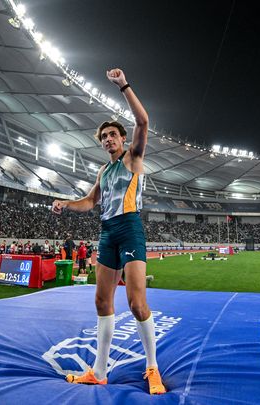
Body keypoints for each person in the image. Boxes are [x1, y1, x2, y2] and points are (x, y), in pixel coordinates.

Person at [52, 68, 165, 394]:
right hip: (107, 232)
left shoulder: (133, 158)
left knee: (136, 303)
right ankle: (99, 371)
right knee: (102, 301)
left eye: (112, 135)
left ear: (122, 139)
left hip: (130, 228)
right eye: (103, 138)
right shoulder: (103, 169)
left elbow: (143, 121)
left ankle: (152, 367)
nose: (108, 140)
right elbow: (90, 201)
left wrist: (123, 86)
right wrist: (65, 203)